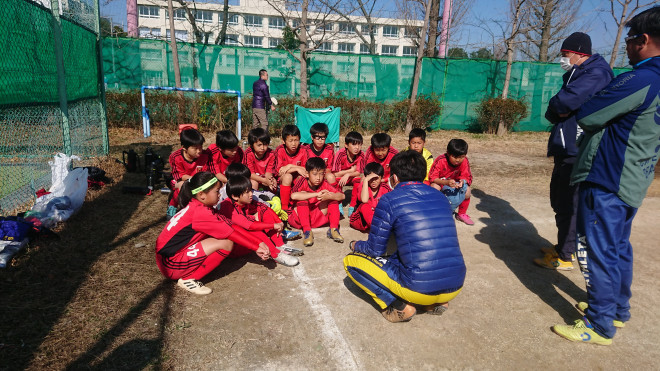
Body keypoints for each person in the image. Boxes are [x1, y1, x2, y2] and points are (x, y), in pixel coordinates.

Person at [552, 6, 660, 346]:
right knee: (617, 246)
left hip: (608, 177)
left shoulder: (640, 78)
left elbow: (589, 112)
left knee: (596, 248)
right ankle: (616, 309)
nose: (626, 47)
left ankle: (598, 324)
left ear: (643, 40)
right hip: (633, 177)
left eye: (629, 40)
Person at [344, 150, 466, 323]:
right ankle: (436, 303)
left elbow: (374, 249)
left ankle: (399, 306)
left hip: (418, 288)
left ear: (393, 178)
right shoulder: (440, 196)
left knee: (351, 262)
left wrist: (355, 245)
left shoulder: (389, 199)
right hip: (455, 285)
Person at [535, 32, 614, 271]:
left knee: (569, 202)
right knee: (559, 199)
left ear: (579, 53)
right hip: (566, 147)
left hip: (577, 149)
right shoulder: (577, 73)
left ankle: (566, 255)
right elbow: (557, 107)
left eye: (565, 54)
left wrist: (559, 107)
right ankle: (562, 246)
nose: (563, 58)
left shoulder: (595, 73)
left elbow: (563, 103)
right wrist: (556, 108)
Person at [155, 172, 271, 295]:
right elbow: (230, 234)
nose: (220, 194)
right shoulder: (201, 213)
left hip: (168, 257)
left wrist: (258, 242)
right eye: (216, 191)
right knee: (226, 243)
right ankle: (189, 279)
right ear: (202, 195)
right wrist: (256, 247)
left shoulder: (200, 205)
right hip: (170, 265)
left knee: (222, 236)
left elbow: (231, 226)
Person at [219, 175, 303, 262]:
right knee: (255, 230)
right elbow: (250, 226)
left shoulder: (243, 200)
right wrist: (273, 225)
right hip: (235, 247)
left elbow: (264, 208)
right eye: (247, 192)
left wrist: (279, 222)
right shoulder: (229, 208)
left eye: (251, 190)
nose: (251, 194)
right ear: (235, 196)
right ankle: (275, 253)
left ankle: (279, 245)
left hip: (245, 239)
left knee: (264, 213)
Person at [289, 157, 345, 246]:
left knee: (332, 199)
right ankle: (307, 232)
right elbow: (293, 196)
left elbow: (342, 195)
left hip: (316, 219)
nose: (318, 178)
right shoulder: (302, 181)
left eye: (321, 174)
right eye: (315, 174)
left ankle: (334, 229)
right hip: (300, 220)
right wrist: (316, 194)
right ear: (307, 174)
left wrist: (329, 196)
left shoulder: (324, 183)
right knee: (302, 199)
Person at [167, 128, 212, 220]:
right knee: (182, 186)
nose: (199, 150)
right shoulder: (175, 157)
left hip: (196, 180)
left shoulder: (205, 155)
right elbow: (179, 175)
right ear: (184, 148)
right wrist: (193, 179)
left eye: (200, 147)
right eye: (195, 148)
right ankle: (172, 205)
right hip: (178, 180)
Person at [429, 139, 474, 225]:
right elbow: (432, 178)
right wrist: (446, 182)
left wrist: (462, 182)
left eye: (461, 157)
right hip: (442, 183)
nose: (458, 160)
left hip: (455, 185)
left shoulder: (465, 161)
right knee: (434, 188)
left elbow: (467, 176)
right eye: (455, 157)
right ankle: (435, 213)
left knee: (468, 191)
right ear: (448, 153)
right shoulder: (440, 160)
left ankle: (461, 214)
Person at [331, 131, 366, 216]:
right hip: (340, 177)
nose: (357, 147)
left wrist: (348, 174)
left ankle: (352, 206)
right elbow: (335, 173)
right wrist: (349, 171)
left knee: (358, 180)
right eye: (354, 144)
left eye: (359, 145)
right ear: (346, 145)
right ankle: (338, 203)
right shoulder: (340, 154)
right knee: (336, 180)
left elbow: (358, 172)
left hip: (350, 177)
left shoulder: (361, 154)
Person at [274, 125, 308, 211]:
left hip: (297, 178)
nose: (293, 143)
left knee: (302, 177)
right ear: (283, 141)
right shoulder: (280, 150)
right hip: (284, 180)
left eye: (296, 140)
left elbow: (306, 170)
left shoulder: (303, 150)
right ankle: (285, 208)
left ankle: (297, 204)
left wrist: (290, 166)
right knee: (287, 176)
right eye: (290, 141)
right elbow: (279, 172)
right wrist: (296, 168)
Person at [349, 162, 391, 232]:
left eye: (376, 178)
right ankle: (377, 229)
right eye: (371, 178)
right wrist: (365, 180)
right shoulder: (363, 186)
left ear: (382, 177)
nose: (373, 181)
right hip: (360, 220)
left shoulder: (385, 188)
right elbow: (364, 200)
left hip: (377, 217)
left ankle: (378, 227)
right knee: (365, 206)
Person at [244, 127, 277, 192]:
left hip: (265, 177)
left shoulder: (271, 154)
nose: (262, 148)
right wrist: (263, 180)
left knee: (273, 184)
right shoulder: (248, 154)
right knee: (254, 184)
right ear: (252, 145)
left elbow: (269, 172)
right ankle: (254, 200)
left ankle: (271, 199)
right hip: (253, 178)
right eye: (259, 145)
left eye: (265, 144)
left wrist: (269, 181)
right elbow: (250, 174)